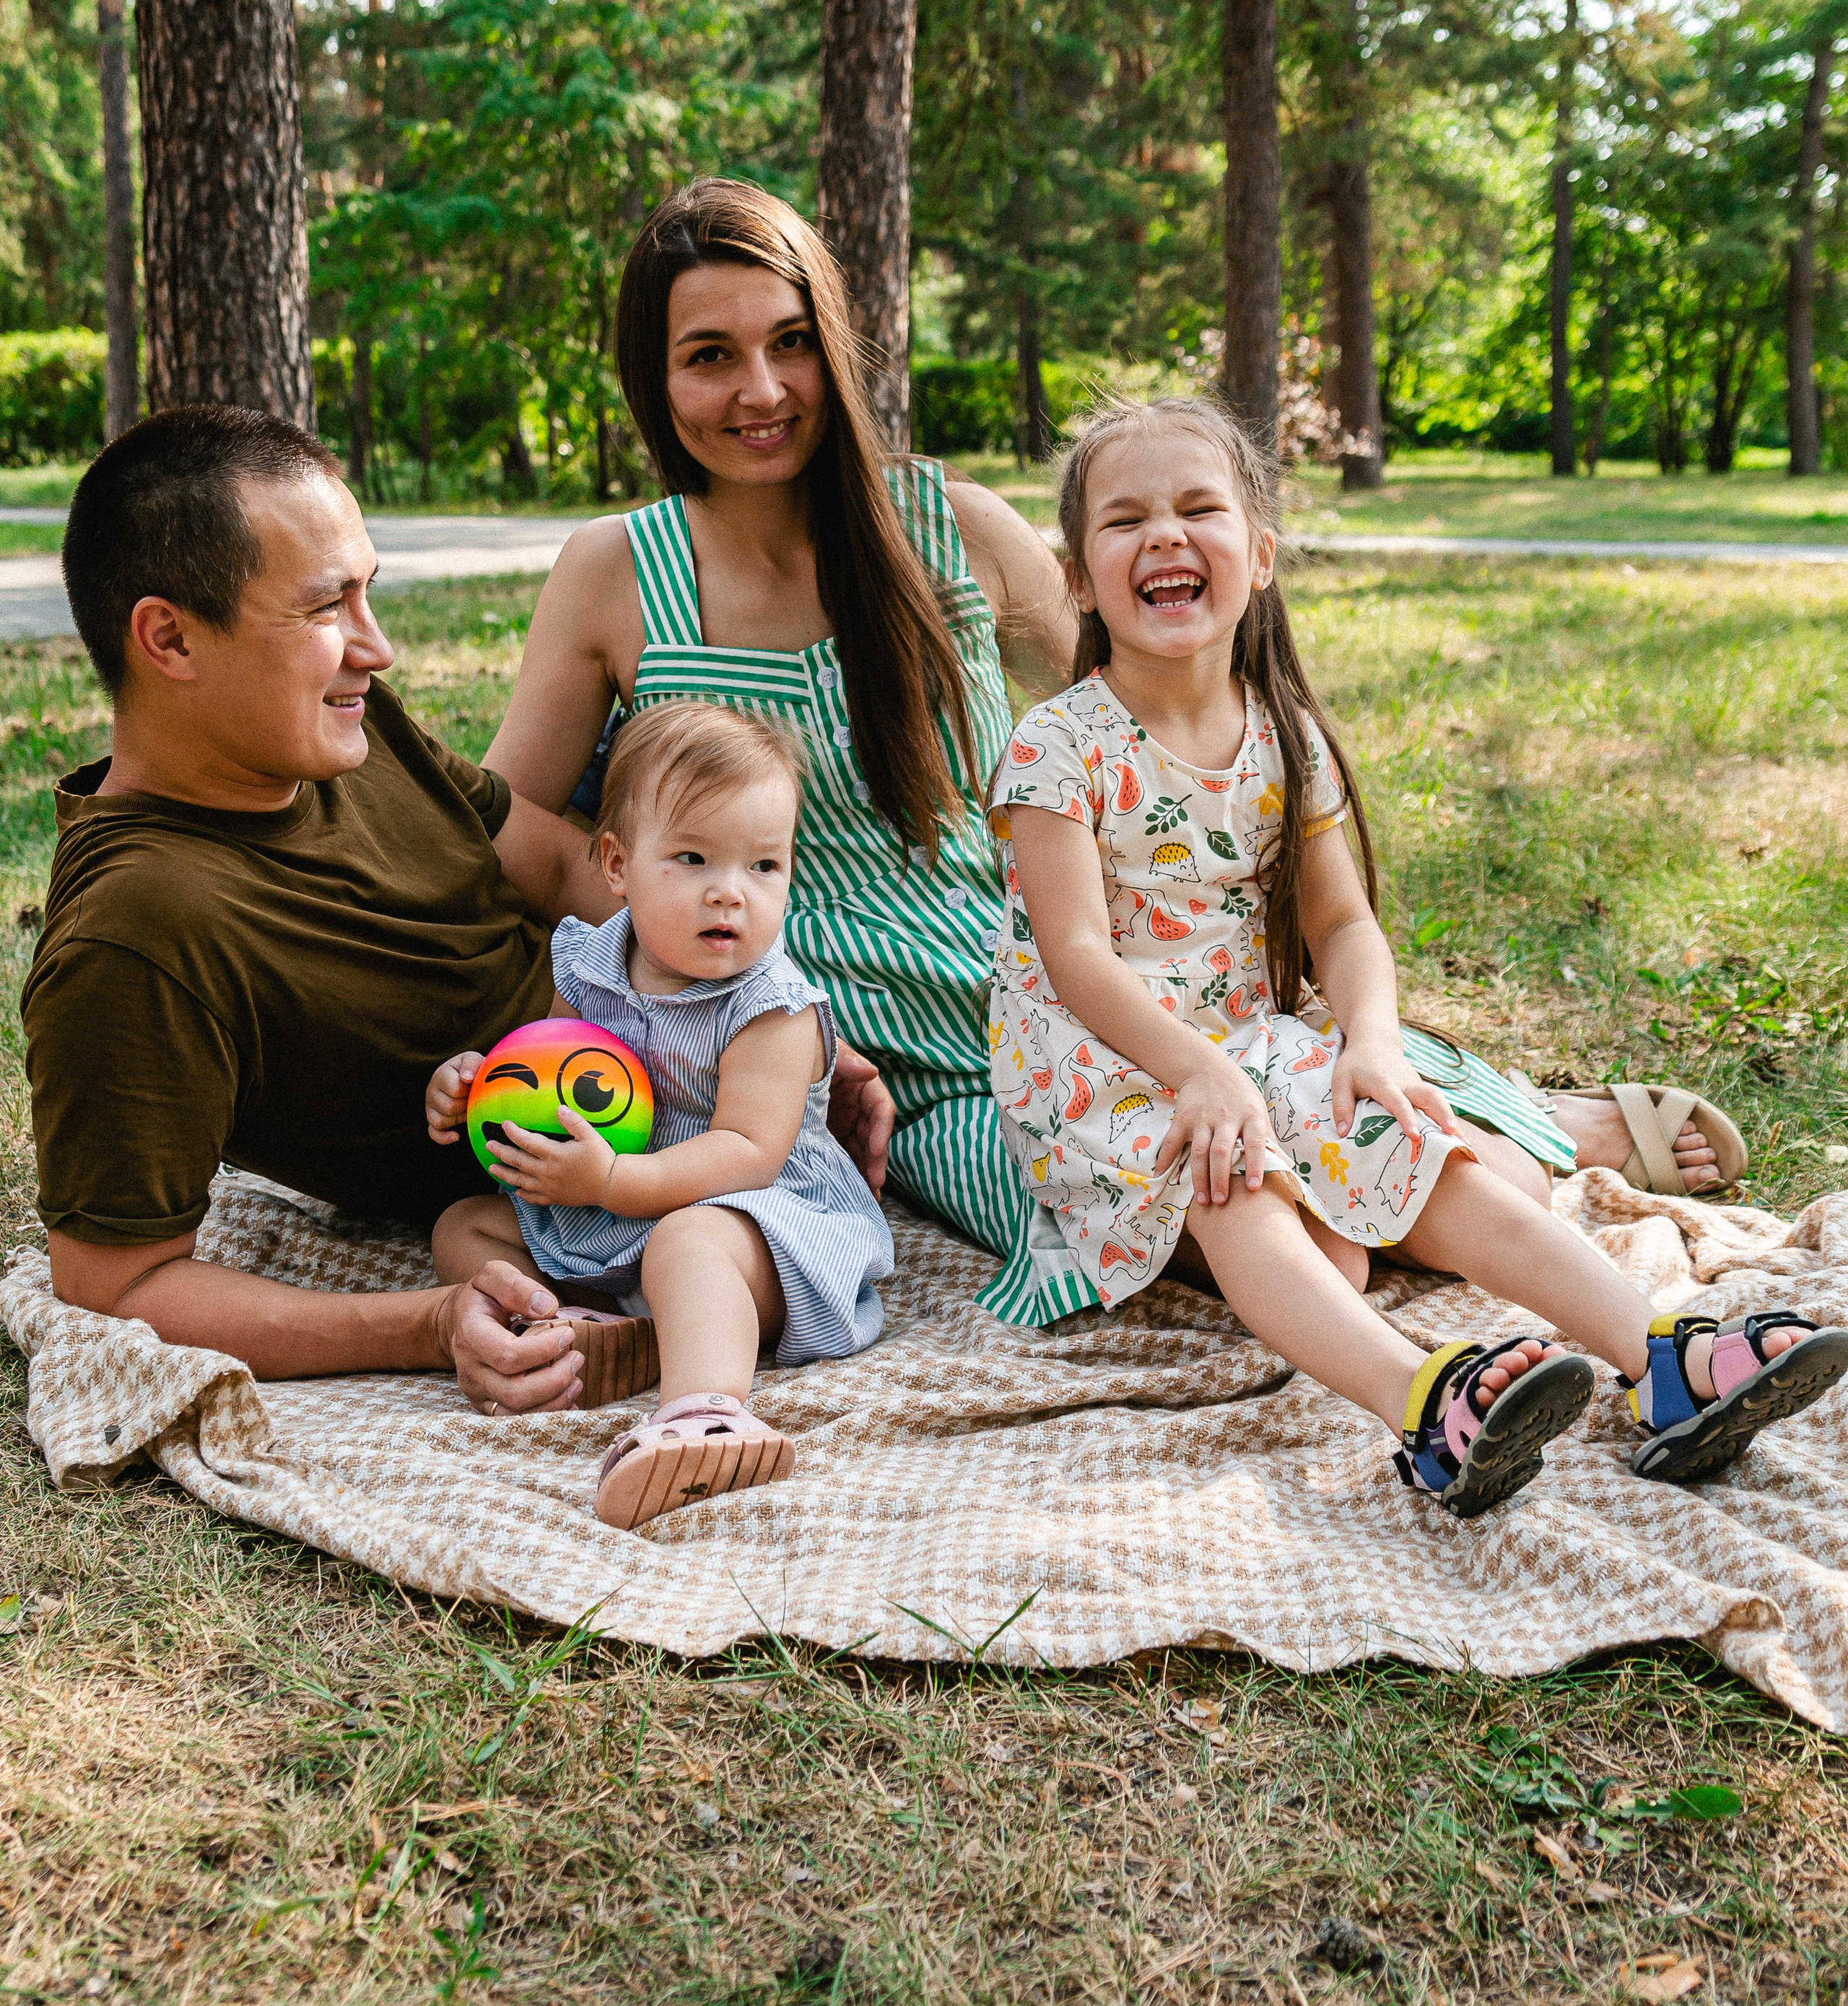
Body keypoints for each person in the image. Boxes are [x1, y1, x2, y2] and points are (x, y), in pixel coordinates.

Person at [485, 178, 1740, 1337]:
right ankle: (1504, 1141)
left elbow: (1136, 703)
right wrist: (703, 930)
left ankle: (1544, 1123)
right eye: (710, 357)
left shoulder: (945, 525)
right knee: (1238, 1228)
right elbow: (514, 821)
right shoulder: (616, 572)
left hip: (1079, 987)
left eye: (790, 342)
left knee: (1385, 1148)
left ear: (837, 352)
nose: (760, 389)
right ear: (657, 382)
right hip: (888, 1062)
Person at [988, 396, 1848, 1504]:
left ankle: (1665, 1359)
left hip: (1245, 1045)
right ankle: (1429, 1407)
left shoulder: (1285, 736)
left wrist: (1376, 1046)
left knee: (1408, 1136)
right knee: (1241, 1181)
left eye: (1200, 508)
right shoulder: (1060, 744)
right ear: (1076, 577)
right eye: (1125, 520)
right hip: (1099, 1073)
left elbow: (1341, 925)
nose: (1164, 535)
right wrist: (1198, 1074)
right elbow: (1074, 955)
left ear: (1259, 557)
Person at [25, 404, 767, 1416]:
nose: (375, 649)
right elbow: (112, 1281)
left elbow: (554, 867)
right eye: (327, 608)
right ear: (170, 639)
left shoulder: (340, 727)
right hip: (560, 1185)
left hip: (695, 1048)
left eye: (367, 594)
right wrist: (427, 1320)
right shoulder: (138, 934)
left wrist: (757, 1010)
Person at [424, 701, 892, 1524]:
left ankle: (702, 1413)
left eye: (763, 867)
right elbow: (544, 1058)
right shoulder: (590, 961)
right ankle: (570, 1329)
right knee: (466, 1226)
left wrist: (612, 1179)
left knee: (691, 1241)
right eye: (692, 857)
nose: (730, 894)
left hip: (754, 1221)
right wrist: (474, 1083)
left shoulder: (770, 1009)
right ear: (616, 865)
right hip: (613, 1211)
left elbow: (746, 1152)